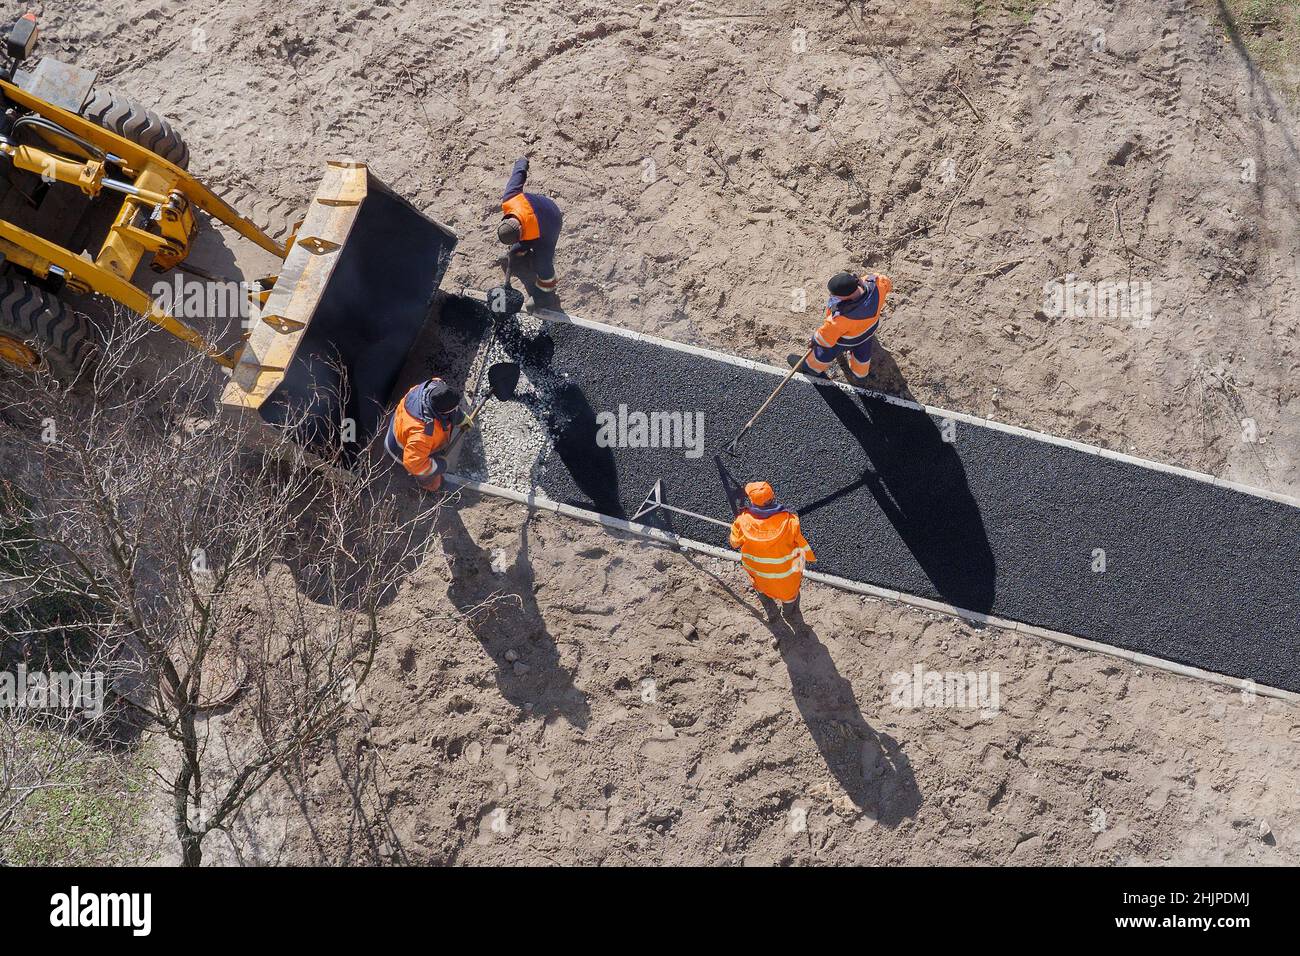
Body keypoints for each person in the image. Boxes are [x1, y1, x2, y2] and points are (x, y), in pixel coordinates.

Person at [728, 481, 816, 624]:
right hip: (786, 576)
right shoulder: (790, 521)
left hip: (760, 573)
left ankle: (769, 606)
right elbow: (801, 547)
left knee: (761, 588)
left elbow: (734, 542)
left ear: (751, 500)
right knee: (789, 596)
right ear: (773, 497)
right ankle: (788, 613)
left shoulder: (743, 521)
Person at [796, 270, 892, 381]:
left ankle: (810, 368)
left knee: (825, 353)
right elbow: (885, 282)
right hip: (868, 331)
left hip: (847, 340)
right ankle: (860, 374)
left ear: (846, 296)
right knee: (862, 354)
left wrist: (815, 340)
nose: (832, 296)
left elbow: (826, 337)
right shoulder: (876, 284)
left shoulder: (841, 318)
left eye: (835, 295)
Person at [498, 156, 563, 308]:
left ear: (521, 232)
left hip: (551, 223)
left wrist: (517, 250)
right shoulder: (510, 199)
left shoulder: (533, 232)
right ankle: (520, 256)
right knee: (516, 250)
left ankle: (546, 294)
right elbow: (518, 175)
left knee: (543, 262)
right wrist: (521, 162)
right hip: (539, 207)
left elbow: (527, 241)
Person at [385, 377, 462, 492]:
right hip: (401, 451)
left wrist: (461, 418)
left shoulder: (433, 386)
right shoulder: (423, 433)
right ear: (442, 411)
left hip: (402, 430)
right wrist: (440, 466)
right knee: (431, 478)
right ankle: (431, 487)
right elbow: (414, 463)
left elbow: (449, 408)